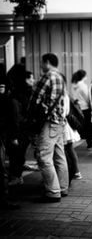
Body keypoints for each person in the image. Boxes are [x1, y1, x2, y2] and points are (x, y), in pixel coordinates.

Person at [27, 53, 69, 203]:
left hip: (49, 122)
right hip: (59, 122)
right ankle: (63, 187)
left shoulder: (47, 76)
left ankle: (52, 191)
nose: (40, 65)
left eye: (41, 62)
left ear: (47, 62)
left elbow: (34, 99)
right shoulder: (61, 78)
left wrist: (29, 116)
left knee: (44, 157)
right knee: (59, 156)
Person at [7, 69, 34, 186]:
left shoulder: (19, 94)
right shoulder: (22, 94)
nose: (33, 80)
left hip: (22, 129)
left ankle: (16, 177)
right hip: (22, 129)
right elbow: (16, 116)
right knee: (17, 154)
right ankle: (17, 176)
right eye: (30, 78)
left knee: (16, 155)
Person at [0, 64, 20, 209]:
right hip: (2, 133)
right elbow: (13, 119)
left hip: (2, 133)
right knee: (1, 167)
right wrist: (13, 136)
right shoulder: (9, 99)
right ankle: (3, 197)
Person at [71, 69, 92, 149]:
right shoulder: (83, 85)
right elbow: (87, 97)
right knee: (88, 126)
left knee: (83, 125)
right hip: (85, 107)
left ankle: (86, 141)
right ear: (83, 76)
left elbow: (73, 97)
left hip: (79, 108)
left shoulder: (74, 86)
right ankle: (89, 143)